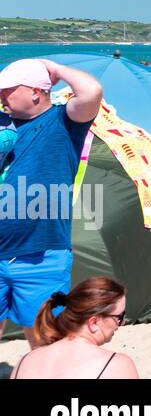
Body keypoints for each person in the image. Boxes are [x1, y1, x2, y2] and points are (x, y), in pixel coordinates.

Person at [0, 59, 104, 347]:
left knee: (44, 340)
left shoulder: (63, 122)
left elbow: (92, 91)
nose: (1, 95)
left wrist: (51, 68)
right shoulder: (1, 125)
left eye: (7, 89)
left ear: (36, 91)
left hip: (42, 256)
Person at [9, 276, 138, 379]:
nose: (122, 323)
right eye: (119, 317)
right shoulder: (116, 365)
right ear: (93, 323)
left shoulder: (25, 362)